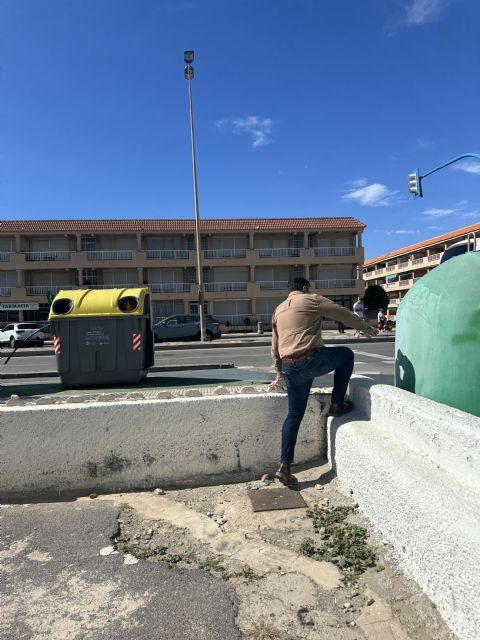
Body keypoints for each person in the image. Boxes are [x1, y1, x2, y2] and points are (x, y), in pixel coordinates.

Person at [269, 278, 377, 486]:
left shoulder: (278, 310)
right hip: (310, 359)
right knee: (346, 355)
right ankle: (336, 403)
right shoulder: (311, 300)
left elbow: (274, 344)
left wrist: (278, 371)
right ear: (304, 288)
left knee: (293, 415)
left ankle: (285, 466)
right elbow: (341, 313)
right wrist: (364, 327)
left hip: (290, 367)